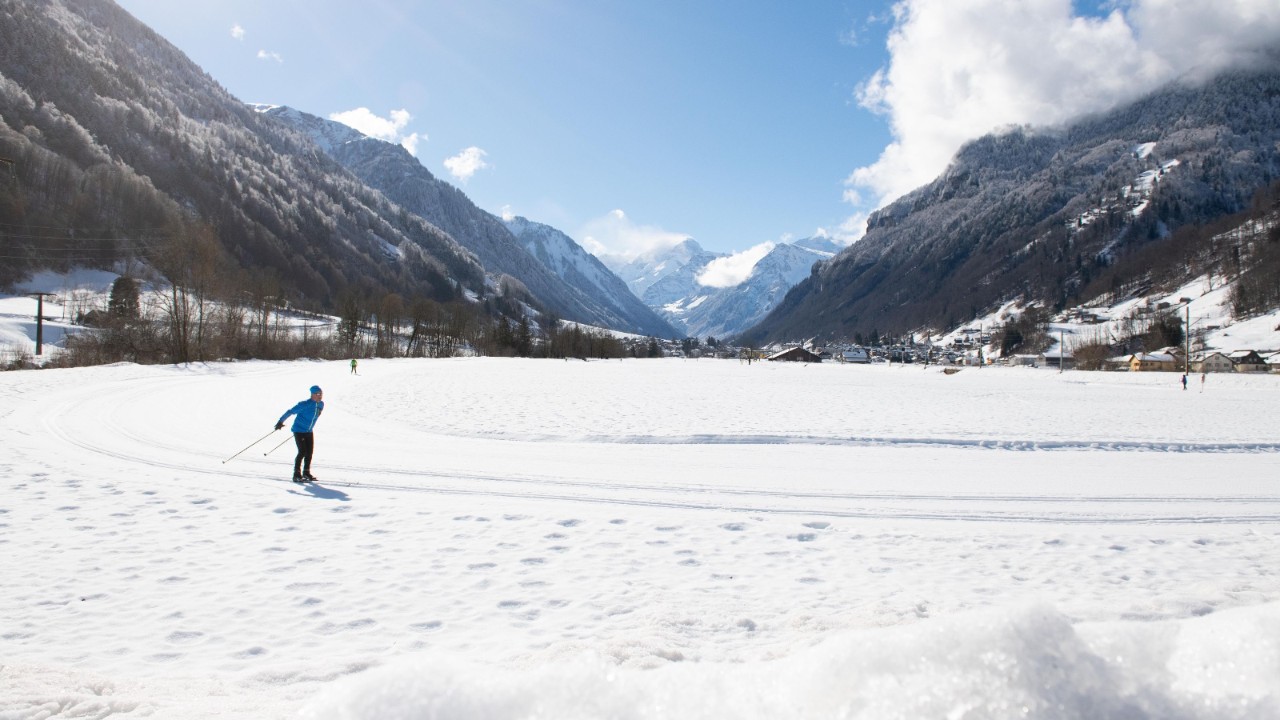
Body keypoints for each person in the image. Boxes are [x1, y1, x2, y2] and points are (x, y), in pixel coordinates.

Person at [275, 385, 324, 483]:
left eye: (321, 394)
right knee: (302, 451)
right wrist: (280, 421)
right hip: (298, 430)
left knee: (309, 452)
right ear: (312, 394)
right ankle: (296, 475)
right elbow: (290, 412)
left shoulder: (321, 404)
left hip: (309, 431)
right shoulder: (304, 404)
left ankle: (306, 473)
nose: (320, 396)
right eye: (318, 394)